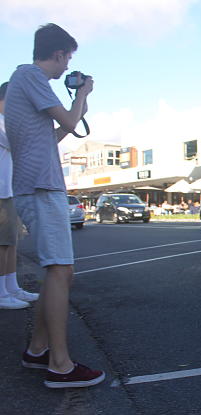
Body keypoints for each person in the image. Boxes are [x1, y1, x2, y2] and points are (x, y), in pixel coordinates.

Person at [5, 23, 104, 388]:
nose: (68, 69)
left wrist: (82, 103)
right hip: (41, 186)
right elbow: (67, 119)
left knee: (58, 271)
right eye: (68, 60)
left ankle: (38, 348)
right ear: (60, 53)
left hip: (37, 184)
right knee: (61, 271)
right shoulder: (30, 76)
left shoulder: (25, 82)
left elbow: (56, 133)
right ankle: (60, 365)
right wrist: (83, 94)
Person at [0, 82, 39, 309]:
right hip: (2, 192)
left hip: (9, 190)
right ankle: (2, 293)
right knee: (3, 244)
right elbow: (22, 144)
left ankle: (11, 287)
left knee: (11, 242)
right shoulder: (2, 122)